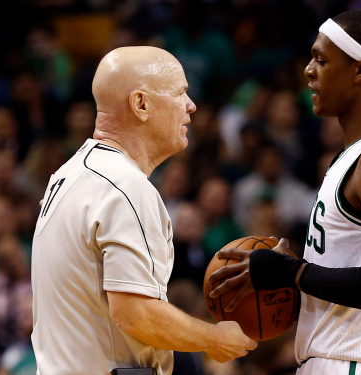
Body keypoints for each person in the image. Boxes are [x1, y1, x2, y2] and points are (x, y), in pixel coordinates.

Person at [208, 10, 361, 374]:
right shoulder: (358, 155)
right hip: (341, 360)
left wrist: (290, 272)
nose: (308, 71)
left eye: (321, 59)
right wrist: (293, 274)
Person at [31, 46, 256, 375]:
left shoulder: (69, 174)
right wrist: (214, 338)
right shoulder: (124, 186)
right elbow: (135, 314)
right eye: (180, 93)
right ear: (141, 104)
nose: (191, 106)